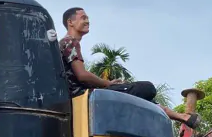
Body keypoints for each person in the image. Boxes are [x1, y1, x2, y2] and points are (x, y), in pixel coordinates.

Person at [59, 7, 200, 129]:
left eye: (88, 18)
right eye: (83, 18)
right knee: (147, 88)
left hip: (83, 95)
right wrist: (108, 84)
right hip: (83, 96)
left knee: (143, 99)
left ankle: (183, 117)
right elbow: (82, 75)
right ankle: (183, 117)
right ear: (70, 22)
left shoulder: (66, 43)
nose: (87, 21)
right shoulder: (70, 42)